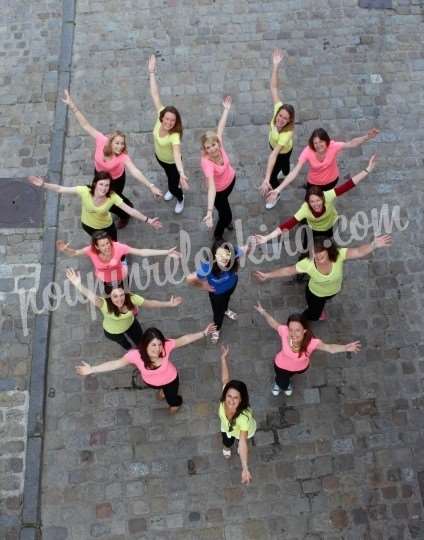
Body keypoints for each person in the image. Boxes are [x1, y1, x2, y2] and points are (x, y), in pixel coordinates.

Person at [62, 90, 163, 229]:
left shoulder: (123, 157)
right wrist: (72, 106)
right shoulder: (101, 140)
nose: (120, 146)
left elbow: (135, 171)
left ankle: (125, 214)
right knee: (105, 198)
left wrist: (151, 186)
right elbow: (86, 125)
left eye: (122, 144)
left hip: (115, 180)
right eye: (117, 143)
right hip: (99, 175)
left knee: (111, 201)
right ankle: (126, 207)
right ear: (110, 142)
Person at [76, 323, 216, 413]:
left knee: (172, 397)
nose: (158, 349)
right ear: (145, 345)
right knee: (160, 390)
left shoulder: (166, 346)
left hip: (171, 379)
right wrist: (92, 369)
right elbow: (115, 364)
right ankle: (162, 391)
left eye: (159, 344)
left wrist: (203, 333)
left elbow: (184, 340)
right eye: (153, 345)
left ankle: (175, 404)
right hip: (152, 382)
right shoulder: (135, 355)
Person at [254, 235, 392, 321]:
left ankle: (317, 310)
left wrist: (373, 245)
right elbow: (288, 271)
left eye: (321, 254)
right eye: (315, 254)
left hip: (334, 290)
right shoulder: (307, 263)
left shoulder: (338, 255)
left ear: (329, 251)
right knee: (313, 313)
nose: (318, 258)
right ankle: (311, 316)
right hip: (315, 293)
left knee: (326, 300)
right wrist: (268, 275)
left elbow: (358, 251)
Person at [255, 155, 378, 247]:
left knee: (328, 239)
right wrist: (267, 237)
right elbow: (286, 225)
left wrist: (367, 170)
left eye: (318, 200)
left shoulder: (328, 195)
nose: (315, 204)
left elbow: (349, 184)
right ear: (308, 202)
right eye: (312, 202)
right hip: (313, 229)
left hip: (329, 224)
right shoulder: (305, 209)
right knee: (306, 246)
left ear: (322, 198)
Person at [254, 303, 361, 396]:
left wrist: (345, 348)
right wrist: (263, 312)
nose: (293, 334)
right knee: (282, 379)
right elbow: (274, 323)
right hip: (281, 365)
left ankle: (285, 382)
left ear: (304, 330)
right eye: (291, 329)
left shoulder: (312, 343)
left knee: (289, 375)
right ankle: (281, 385)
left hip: (300, 367)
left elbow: (330, 348)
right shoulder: (284, 331)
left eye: (297, 330)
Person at [66, 268, 183, 350]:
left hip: (131, 324)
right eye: (115, 296)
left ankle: (141, 351)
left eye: (121, 294)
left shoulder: (131, 298)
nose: (119, 299)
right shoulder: (103, 303)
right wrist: (77, 284)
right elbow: (89, 294)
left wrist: (169, 304)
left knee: (140, 341)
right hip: (113, 331)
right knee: (125, 343)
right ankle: (130, 350)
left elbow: (150, 303)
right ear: (109, 297)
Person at [266, 126, 380, 206]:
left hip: (331, 180)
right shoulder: (308, 151)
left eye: (321, 142)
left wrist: (367, 137)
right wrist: (278, 189)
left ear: (326, 141)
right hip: (314, 184)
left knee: (325, 200)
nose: (318, 145)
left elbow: (351, 143)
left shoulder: (333, 146)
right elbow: (295, 172)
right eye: (315, 143)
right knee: (311, 201)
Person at [27, 173, 161, 241]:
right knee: (98, 242)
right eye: (102, 184)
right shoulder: (84, 190)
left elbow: (130, 210)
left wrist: (148, 220)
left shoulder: (112, 196)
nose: (104, 188)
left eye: (107, 185)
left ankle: (122, 259)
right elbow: (61, 189)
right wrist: (44, 185)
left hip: (107, 226)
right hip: (88, 225)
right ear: (95, 184)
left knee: (113, 243)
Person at [57, 230, 180, 292]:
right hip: (104, 277)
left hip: (121, 274)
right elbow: (75, 253)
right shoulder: (91, 250)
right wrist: (66, 250)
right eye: (102, 245)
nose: (107, 247)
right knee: (109, 290)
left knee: (124, 289)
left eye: (108, 243)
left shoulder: (118, 247)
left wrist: (166, 252)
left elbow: (142, 252)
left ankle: (123, 262)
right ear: (97, 246)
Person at [186, 239, 253, 343]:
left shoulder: (234, 252)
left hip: (231, 285)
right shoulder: (207, 266)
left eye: (227, 257)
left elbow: (247, 249)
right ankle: (217, 328)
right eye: (220, 258)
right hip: (216, 293)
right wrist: (204, 286)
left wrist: (239, 262)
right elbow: (190, 279)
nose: (225, 261)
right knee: (217, 313)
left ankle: (226, 309)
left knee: (226, 300)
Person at [148, 54, 189, 214]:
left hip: (172, 163)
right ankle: (173, 188)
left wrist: (181, 173)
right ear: (162, 117)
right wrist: (151, 73)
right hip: (160, 158)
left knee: (173, 183)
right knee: (168, 176)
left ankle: (179, 197)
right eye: (167, 119)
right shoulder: (160, 114)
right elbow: (155, 94)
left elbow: (177, 154)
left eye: (173, 120)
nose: (169, 122)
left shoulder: (174, 136)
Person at [259, 49, 295, 210]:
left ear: (289, 121)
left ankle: (275, 195)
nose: (280, 119)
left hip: (281, 150)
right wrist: (275, 66)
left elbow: (274, 154)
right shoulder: (278, 109)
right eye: (280, 116)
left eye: (285, 119)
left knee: (275, 175)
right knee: (286, 166)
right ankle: (287, 171)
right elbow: (273, 88)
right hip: (275, 146)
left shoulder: (287, 134)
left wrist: (266, 177)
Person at [218, 345, 256, 485]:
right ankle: (227, 447)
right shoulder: (224, 397)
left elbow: (244, 440)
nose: (231, 401)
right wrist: (223, 359)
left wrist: (245, 467)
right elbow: (225, 379)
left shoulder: (243, 418)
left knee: (240, 444)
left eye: (236, 398)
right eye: (229, 396)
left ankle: (238, 451)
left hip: (242, 433)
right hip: (226, 427)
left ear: (241, 399)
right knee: (226, 441)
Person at [201, 96, 236, 240]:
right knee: (226, 214)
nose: (212, 149)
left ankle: (226, 220)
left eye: (213, 145)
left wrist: (226, 109)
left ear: (218, 143)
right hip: (218, 191)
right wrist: (209, 211)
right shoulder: (206, 162)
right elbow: (211, 187)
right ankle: (218, 234)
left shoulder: (219, 143)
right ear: (205, 149)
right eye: (208, 147)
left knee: (225, 208)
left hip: (230, 182)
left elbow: (220, 127)